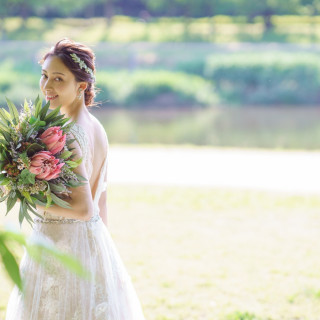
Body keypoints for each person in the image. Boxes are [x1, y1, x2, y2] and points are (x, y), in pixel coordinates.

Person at [5, 38, 146, 320]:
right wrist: (102, 255)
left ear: (81, 86)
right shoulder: (96, 128)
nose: (47, 86)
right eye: (44, 76)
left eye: (59, 79)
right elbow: (100, 201)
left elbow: (84, 208)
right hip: (91, 244)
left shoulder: (65, 133)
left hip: (60, 247)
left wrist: (28, 199)